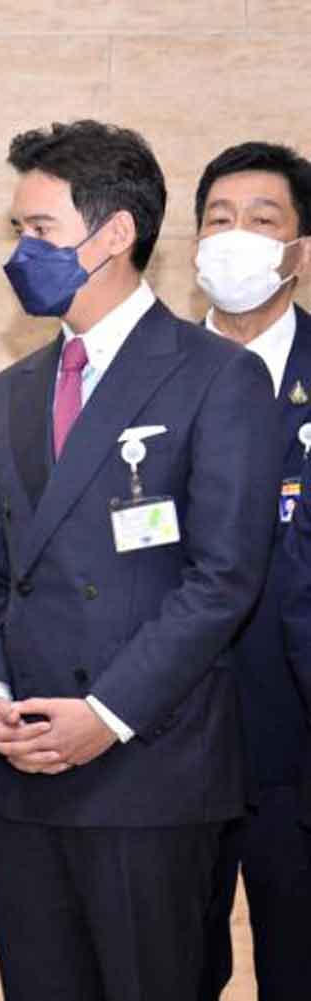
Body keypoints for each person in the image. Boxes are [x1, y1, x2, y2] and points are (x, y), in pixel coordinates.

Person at [0, 120, 281, 1000]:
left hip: (148, 774)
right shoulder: (7, 393)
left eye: (40, 230)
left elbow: (222, 581)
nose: (21, 252)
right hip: (19, 779)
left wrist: (106, 711)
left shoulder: (217, 376)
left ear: (115, 234)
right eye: (17, 230)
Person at [192, 142, 311, 1001]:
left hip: (299, 758)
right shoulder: (144, 381)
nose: (235, 238)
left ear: (299, 253)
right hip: (168, 753)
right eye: (217, 221)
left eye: (262, 221)